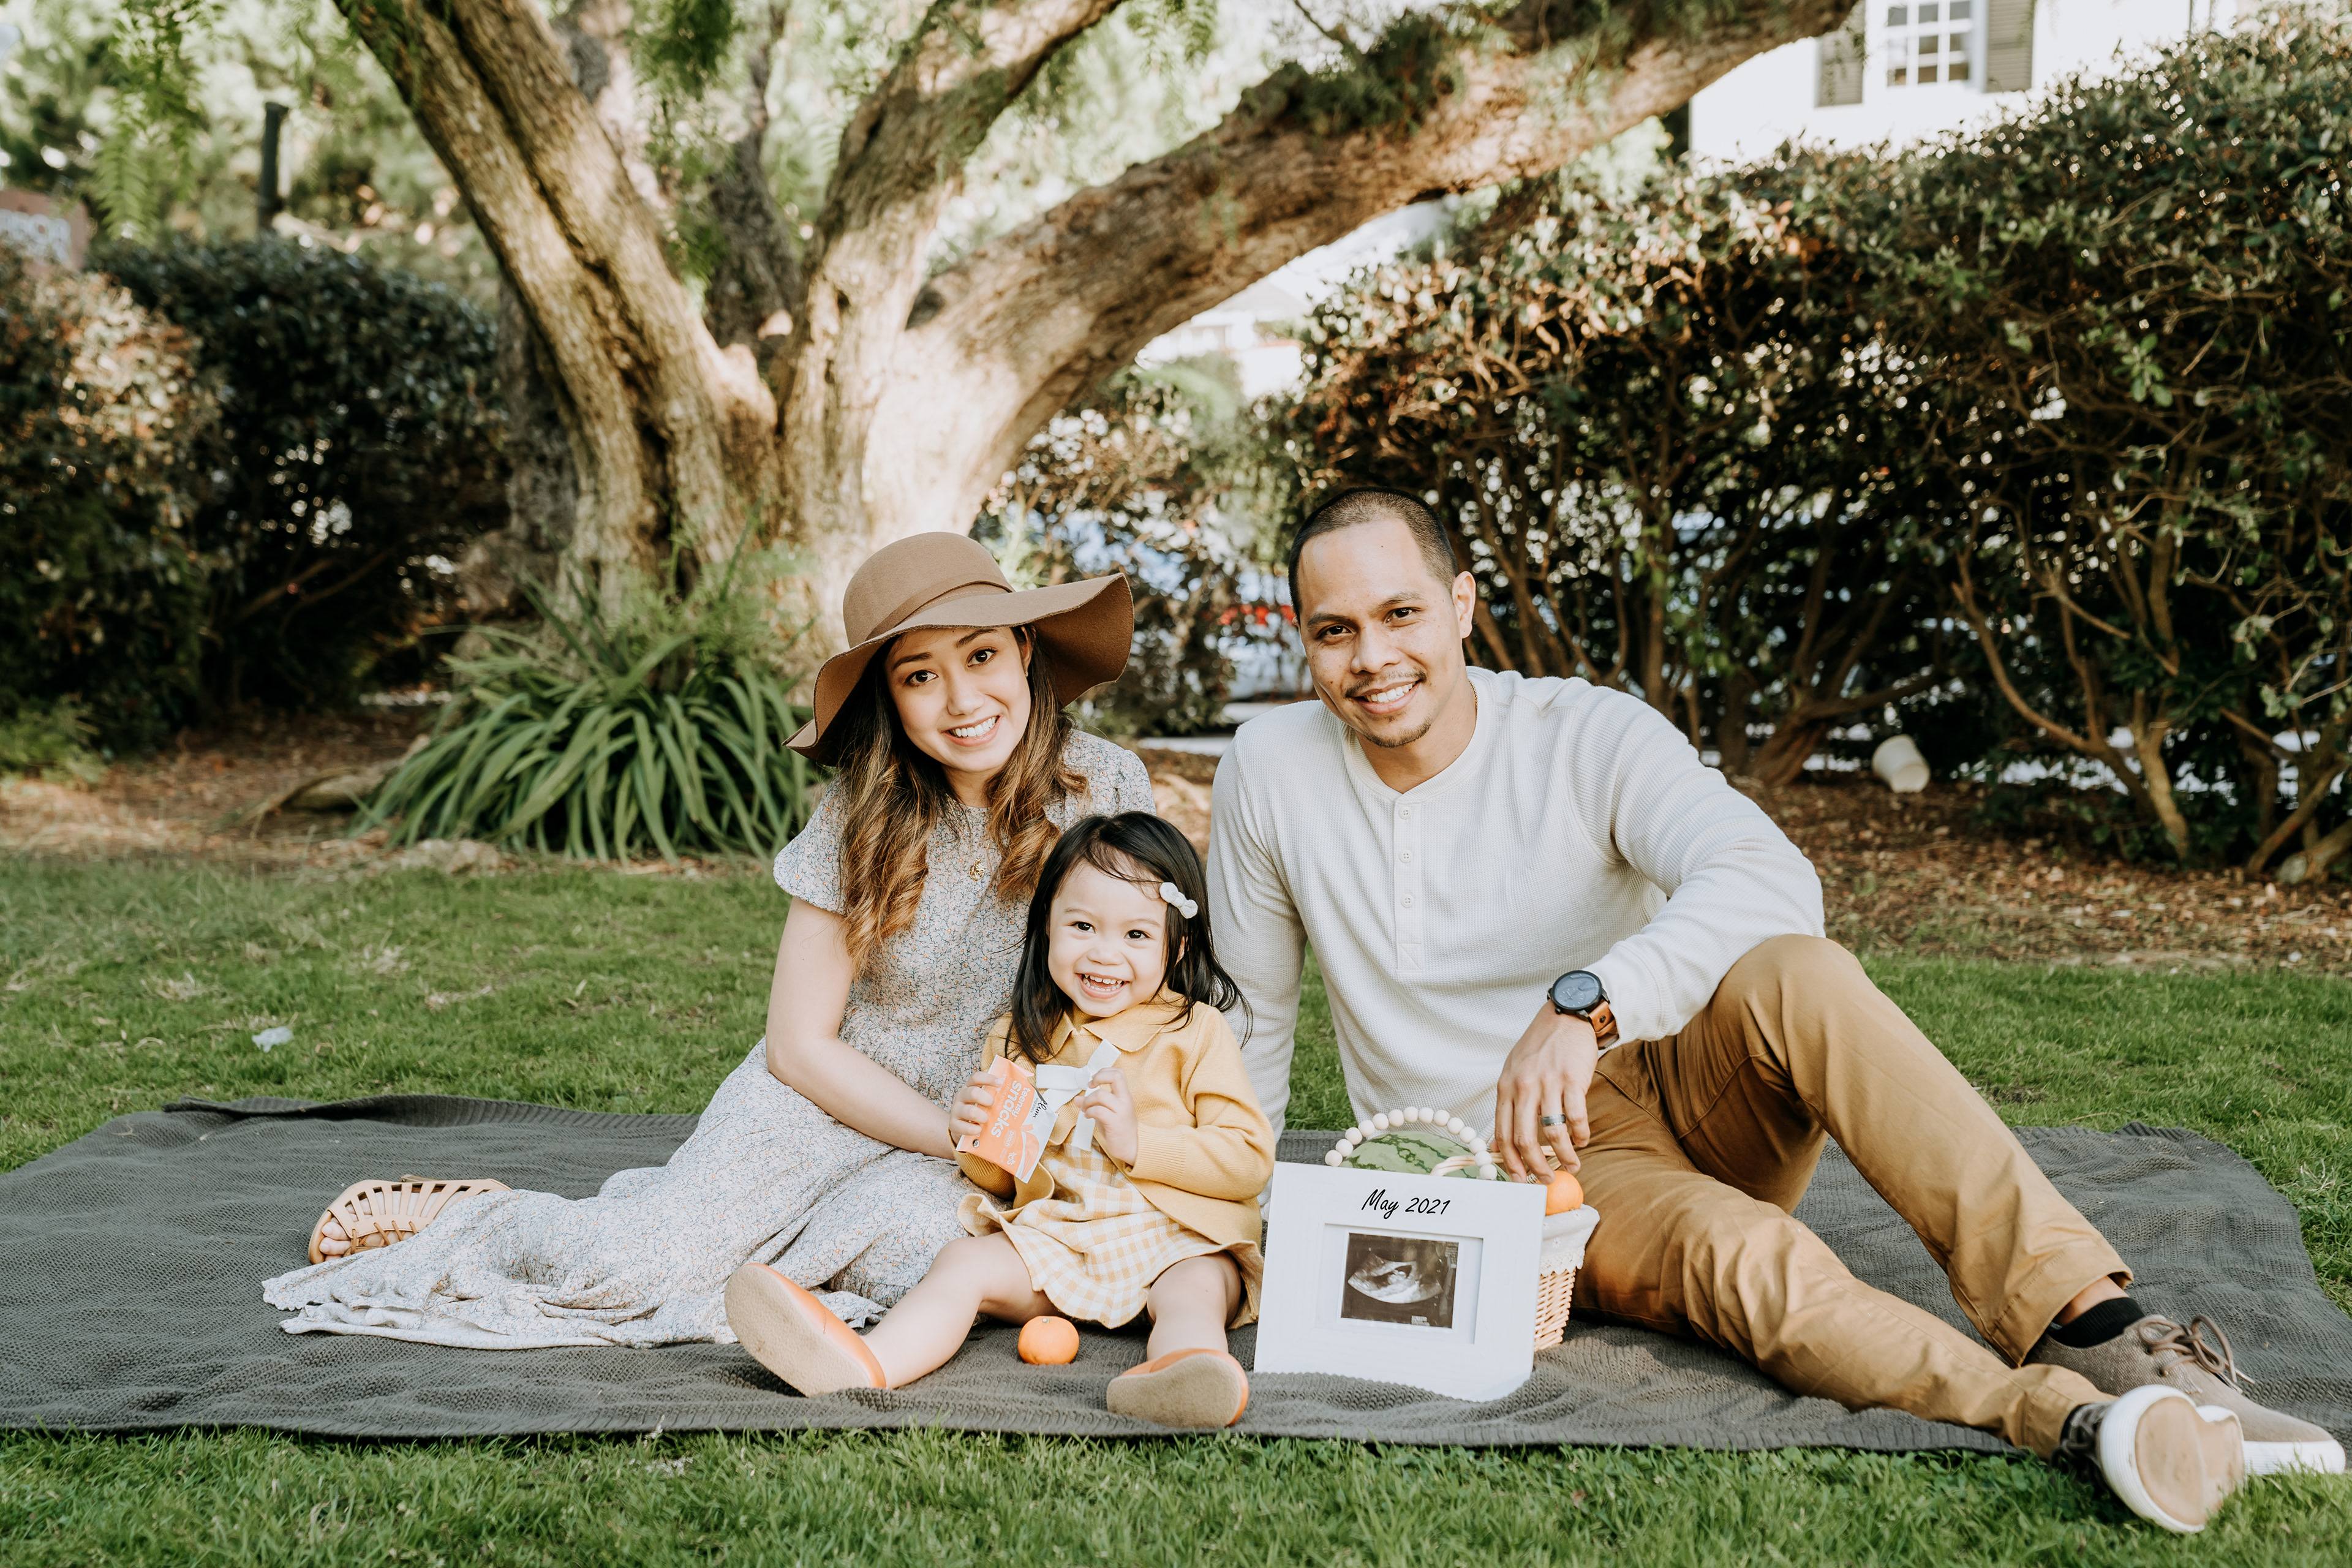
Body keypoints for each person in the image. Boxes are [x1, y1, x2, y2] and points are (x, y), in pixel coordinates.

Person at [1207, 488, 2343, 1534]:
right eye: (1334, 630)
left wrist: (1584, 1007)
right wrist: (1222, 1239)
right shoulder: (1270, 770)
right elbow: (1250, 1026)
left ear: (1461, 605)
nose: (1373, 658)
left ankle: (2098, 1331)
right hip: (1521, 1172)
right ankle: (2069, 1417)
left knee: (1800, 969)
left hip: (1678, 1076)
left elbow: (1768, 874)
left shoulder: (1583, 732)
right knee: (1742, 1252)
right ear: (1304, 638)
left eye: (1401, 613)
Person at [263, 534, 1156, 1347]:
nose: (962, 700)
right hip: (827, 1104)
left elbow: (1144, 979)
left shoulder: (1105, 786)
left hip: (996, 1133)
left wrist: (1037, 1134)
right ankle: (489, 1222)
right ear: (888, 695)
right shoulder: (861, 814)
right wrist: (945, 1135)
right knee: (626, 1271)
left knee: (918, 1266)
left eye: (981, 654)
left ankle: (684, 1219)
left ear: (1025, 648)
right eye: (919, 674)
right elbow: (799, 1047)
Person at [725, 812, 1273, 1429]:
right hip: (1065, 1240)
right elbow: (1003, 1179)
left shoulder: (1194, 1032)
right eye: (1083, 926)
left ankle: (1180, 1375)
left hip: (1180, 1238)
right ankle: (865, 1362)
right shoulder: (1022, 1036)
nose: (1104, 952)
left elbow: (1249, 1158)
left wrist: (1140, 1142)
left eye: (1136, 935)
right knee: (963, 1264)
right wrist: (974, 1138)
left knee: (1194, 1292)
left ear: (1177, 947)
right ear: (1047, 925)